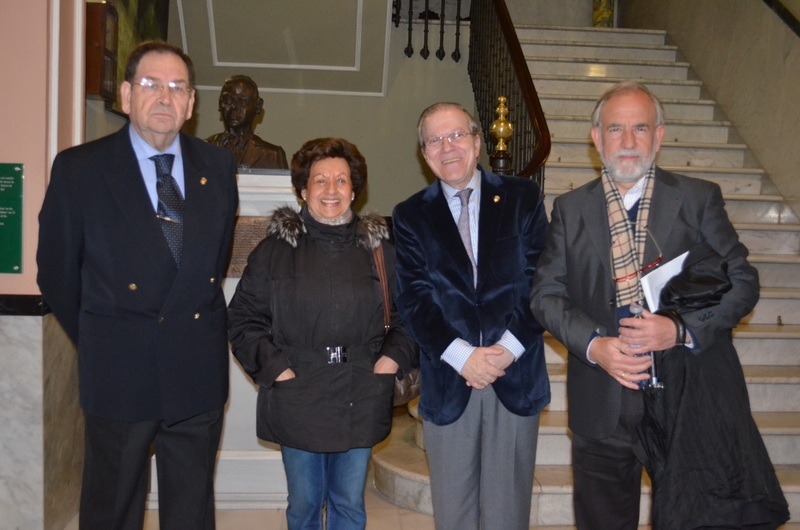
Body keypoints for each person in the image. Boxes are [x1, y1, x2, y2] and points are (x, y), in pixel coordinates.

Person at [530, 81, 789, 528]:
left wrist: (681, 329)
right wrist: (595, 346)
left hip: (684, 401)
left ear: (660, 135)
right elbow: (545, 295)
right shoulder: (571, 209)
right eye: (615, 129)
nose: (628, 142)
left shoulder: (696, 198)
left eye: (640, 128)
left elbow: (742, 281)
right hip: (602, 404)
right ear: (597, 138)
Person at [37, 41, 238, 529]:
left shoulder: (218, 167)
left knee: (191, 509)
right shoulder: (79, 169)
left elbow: (210, 262)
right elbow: (57, 272)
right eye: (151, 84)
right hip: (119, 369)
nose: (165, 97)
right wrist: (104, 337)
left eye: (177, 87)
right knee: (113, 507)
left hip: (196, 367)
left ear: (191, 104)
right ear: (126, 95)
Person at [227, 137, 418, 530]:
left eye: (341, 181)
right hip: (298, 392)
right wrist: (278, 370)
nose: (331, 190)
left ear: (354, 191)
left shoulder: (382, 251)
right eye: (320, 181)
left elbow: (409, 318)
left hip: (361, 389)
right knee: (305, 505)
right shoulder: (274, 251)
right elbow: (242, 319)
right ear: (303, 190)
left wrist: (389, 361)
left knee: (349, 503)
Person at [392, 102, 550, 530]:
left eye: (457, 135)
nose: (448, 147)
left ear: (478, 141)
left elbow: (544, 281)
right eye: (435, 140)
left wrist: (505, 350)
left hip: (514, 374)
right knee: (454, 514)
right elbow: (414, 299)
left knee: (507, 515)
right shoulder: (409, 216)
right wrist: (465, 356)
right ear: (424, 154)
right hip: (450, 379)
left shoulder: (523, 197)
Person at [206, 75, 288, 169]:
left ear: (258, 106)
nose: (234, 107)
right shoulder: (203, 148)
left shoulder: (272, 154)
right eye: (228, 100)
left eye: (242, 101)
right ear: (220, 104)